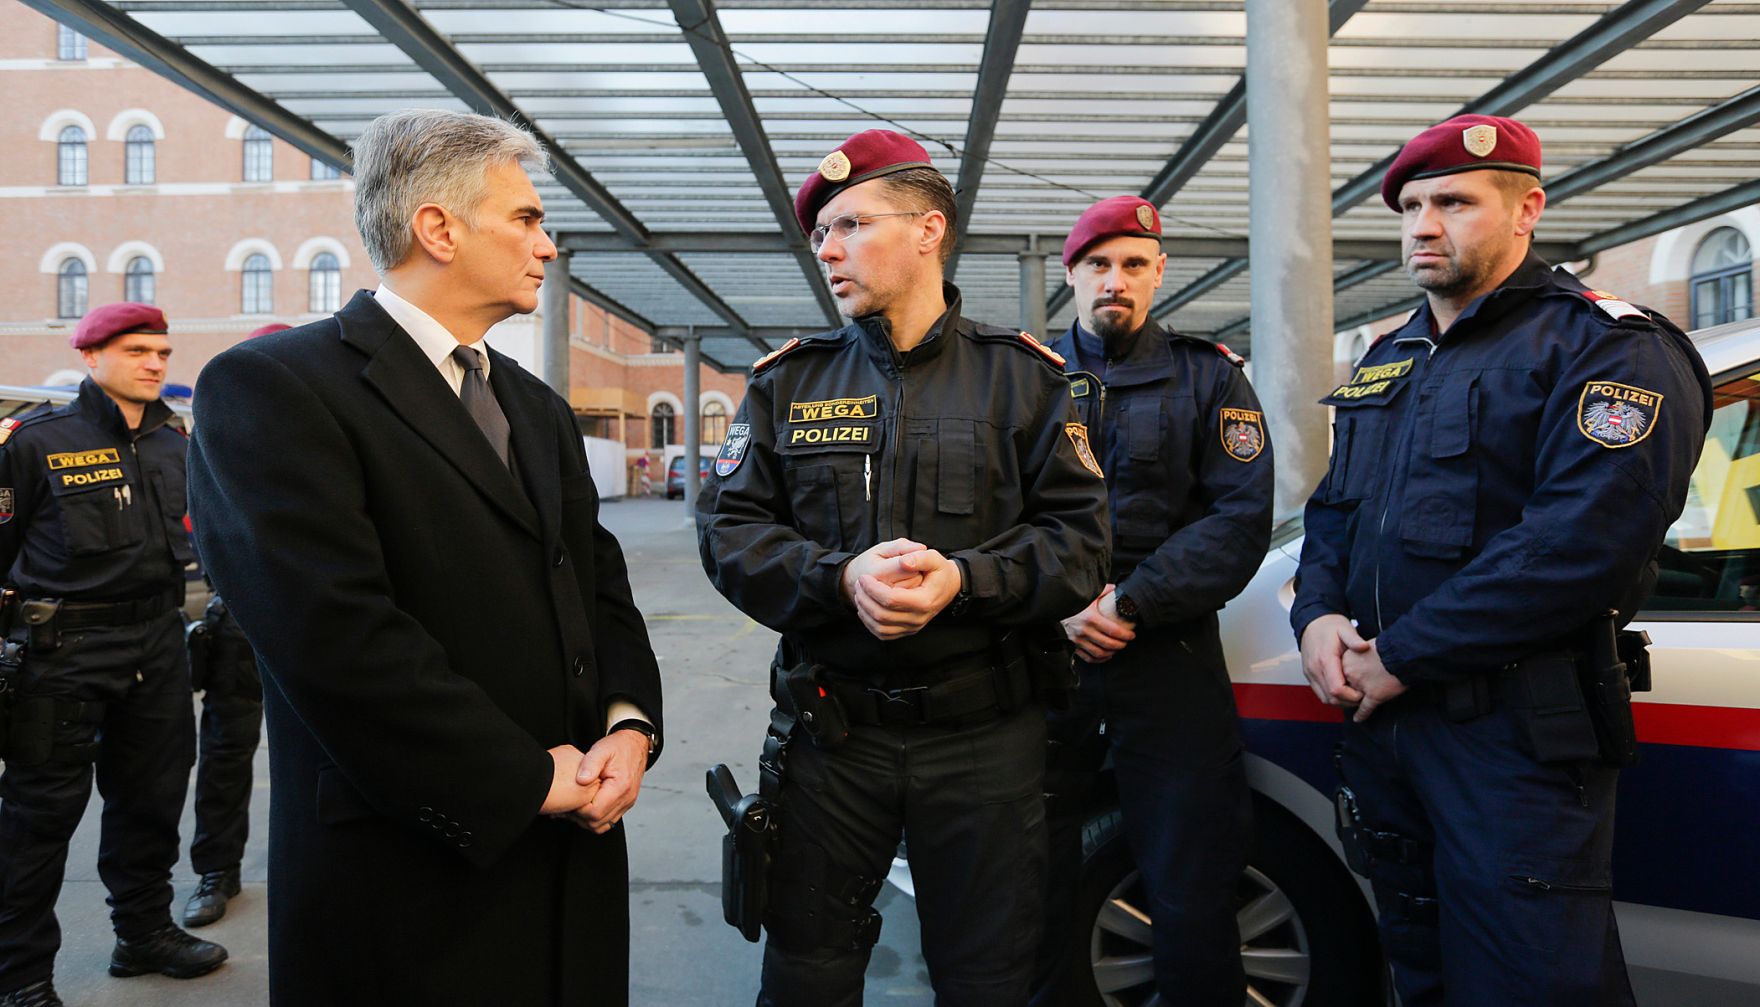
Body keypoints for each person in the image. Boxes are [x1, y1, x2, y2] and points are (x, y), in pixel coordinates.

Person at [185, 109, 664, 1005]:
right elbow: (334, 639)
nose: (548, 247)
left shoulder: (533, 403)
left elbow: (598, 584)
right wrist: (526, 779)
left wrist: (630, 725)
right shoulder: (276, 389)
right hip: (408, 874)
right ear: (437, 228)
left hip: (574, 853)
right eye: (525, 218)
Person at [1293, 113, 1712, 1006]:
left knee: (1530, 984)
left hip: (1513, 739)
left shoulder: (1607, 345)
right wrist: (1317, 614)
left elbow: (1579, 546)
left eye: (1454, 201)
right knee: (1421, 973)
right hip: (1389, 731)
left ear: (1528, 211)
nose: (1423, 226)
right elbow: (1334, 510)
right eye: (1410, 205)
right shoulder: (1391, 354)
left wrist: (1401, 654)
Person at [696, 128, 1110, 1006]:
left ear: (929, 230)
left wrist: (965, 581)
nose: (829, 252)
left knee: (988, 978)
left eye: (849, 225)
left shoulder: (1025, 380)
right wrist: (838, 578)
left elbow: (1081, 545)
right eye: (820, 237)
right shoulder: (787, 384)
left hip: (984, 744)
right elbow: (728, 532)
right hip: (831, 739)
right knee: (806, 973)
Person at [1035, 196, 1274, 1005]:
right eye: (1098, 264)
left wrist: (1131, 603)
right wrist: (1058, 603)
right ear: (1071, 275)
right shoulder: (1023, 377)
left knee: (1193, 887)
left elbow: (1240, 519)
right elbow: (989, 518)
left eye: (1134, 264)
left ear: (1159, 273)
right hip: (1041, 659)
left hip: (1166, 656)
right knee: (1024, 885)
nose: (1115, 280)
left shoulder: (1211, 376)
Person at [0, 304, 227, 1007]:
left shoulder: (174, 440)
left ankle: (143, 933)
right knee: (39, 819)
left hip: (157, 641)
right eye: (137, 349)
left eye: (162, 350)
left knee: (153, 798)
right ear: (92, 356)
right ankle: (22, 978)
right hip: (65, 648)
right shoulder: (35, 441)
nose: (156, 362)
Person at [178, 320, 289, 929]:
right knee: (225, 752)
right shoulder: (216, 440)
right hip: (240, 625)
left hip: (317, 626)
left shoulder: (329, 435)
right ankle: (215, 872)